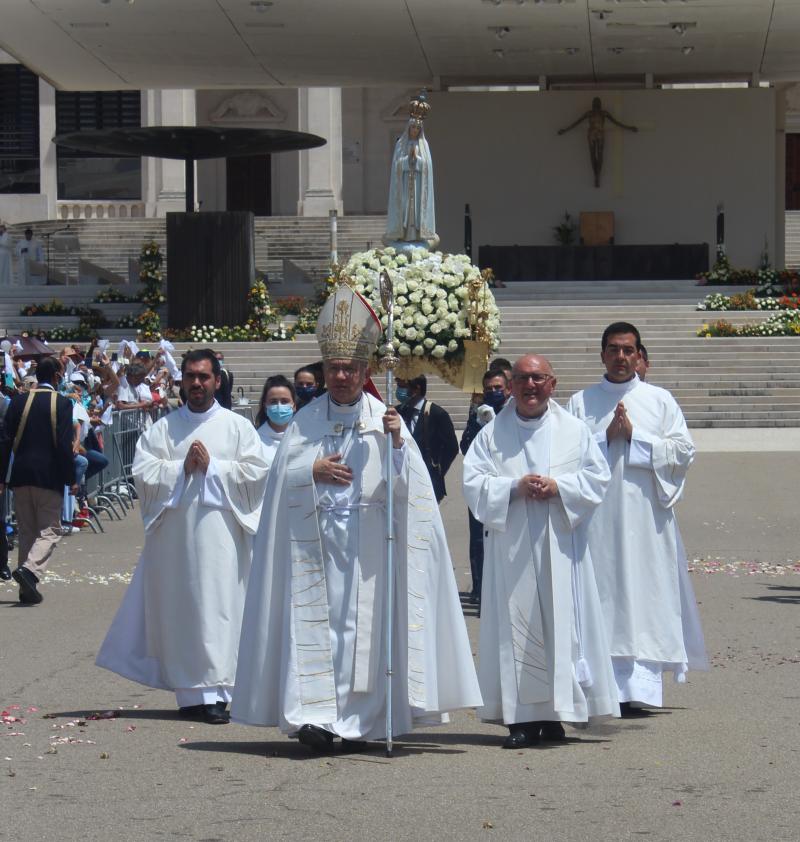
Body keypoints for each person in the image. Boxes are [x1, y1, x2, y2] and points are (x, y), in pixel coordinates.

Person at [232, 282, 481, 753]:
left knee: (365, 639)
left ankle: (363, 722)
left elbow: (416, 493)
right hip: (317, 552)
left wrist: (400, 445)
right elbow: (279, 481)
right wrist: (312, 469)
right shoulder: (304, 423)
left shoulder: (384, 418)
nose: (341, 375)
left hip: (370, 552)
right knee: (319, 634)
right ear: (324, 371)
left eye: (349, 368)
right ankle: (316, 717)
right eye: (333, 368)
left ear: (365, 370)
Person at [96, 349, 269, 724]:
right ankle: (191, 694)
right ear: (181, 380)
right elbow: (143, 472)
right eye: (190, 376)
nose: (196, 383)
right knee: (182, 611)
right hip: (176, 540)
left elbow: (257, 473)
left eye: (204, 377)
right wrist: (180, 469)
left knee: (219, 609)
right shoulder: (163, 428)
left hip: (222, 536)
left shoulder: (237, 427)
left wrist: (214, 468)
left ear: (217, 381)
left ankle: (220, 693)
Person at [463, 354, 618, 748]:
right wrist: (512, 487)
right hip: (511, 549)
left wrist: (559, 488)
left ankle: (556, 715)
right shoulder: (491, 434)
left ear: (553, 383)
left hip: (560, 547)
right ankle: (521, 719)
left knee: (560, 624)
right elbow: (473, 483)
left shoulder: (575, 430)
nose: (530, 386)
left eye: (538, 378)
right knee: (516, 627)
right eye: (522, 379)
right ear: (510, 385)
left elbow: (597, 478)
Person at [566, 322, 707, 715]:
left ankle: (641, 688)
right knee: (602, 595)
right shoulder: (581, 402)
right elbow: (564, 455)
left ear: (639, 354)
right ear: (602, 355)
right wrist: (605, 437)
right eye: (613, 349)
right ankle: (601, 686)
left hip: (646, 519)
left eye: (628, 350)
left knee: (644, 595)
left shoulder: (660, 400)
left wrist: (636, 438)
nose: (621, 357)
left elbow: (683, 452)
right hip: (597, 522)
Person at [0, 357, 76, 604]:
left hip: (20, 474)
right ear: (56, 376)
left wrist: (1, 476)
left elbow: (5, 440)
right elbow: (64, 446)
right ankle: (30, 571)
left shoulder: (19, 400)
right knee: (51, 530)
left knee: (28, 532)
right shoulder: (62, 403)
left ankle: (26, 589)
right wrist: (70, 477)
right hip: (48, 475)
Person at [459, 368, 512, 605]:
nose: (493, 392)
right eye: (489, 389)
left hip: (507, 485)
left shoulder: (515, 413)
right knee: (478, 539)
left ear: (508, 388)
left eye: (498, 388)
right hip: (482, 486)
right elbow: (465, 447)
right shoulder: (479, 414)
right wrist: (478, 425)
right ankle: (480, 588)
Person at [384, 92, 438, 248]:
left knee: (415, 210)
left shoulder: (423, 145)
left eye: (417, 128)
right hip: (404, 185)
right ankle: (403, 234)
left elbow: (427, 166)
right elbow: (396, 166)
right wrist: (407, 160)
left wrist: (417, 160)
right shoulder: (401, 144)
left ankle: (417, 234)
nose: (414, 130)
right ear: (409, 128)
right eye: (413, 127)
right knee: (406, 209)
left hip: (418, 184)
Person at [396, 375, 458, 503]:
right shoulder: (398, 412)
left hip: (428, 480)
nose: (399, 391)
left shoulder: (437, 414)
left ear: (416, 389)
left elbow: (452, 447)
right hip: (402, 480)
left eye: (402, 386)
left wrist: (438, 468)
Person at [557, 97, 638, 188]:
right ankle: (596, 176)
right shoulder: (591, 113)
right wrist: (565, 130)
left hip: (598, 134)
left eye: (597, 103)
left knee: (599, 155)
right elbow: (576, 122)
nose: (596, 104)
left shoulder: (603, 113)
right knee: (593, 155)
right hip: (593, 134)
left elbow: (616, 122)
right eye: (595, 103)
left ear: (599, 104)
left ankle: (597, 176)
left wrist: (629, 128)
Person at [255, 374, 296, 468]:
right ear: (265, 406)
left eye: (284, 401)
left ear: (294, 405)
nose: (279, 406)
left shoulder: (305, 437)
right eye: (273, 402)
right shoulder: (255, 440)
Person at [0, 222, 12, 287]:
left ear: (4, 229)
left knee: (5, 271)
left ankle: (5, 283)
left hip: (5, 256)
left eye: (1, 228)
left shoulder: (8, 236)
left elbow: (9, 245)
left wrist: (1, 244)